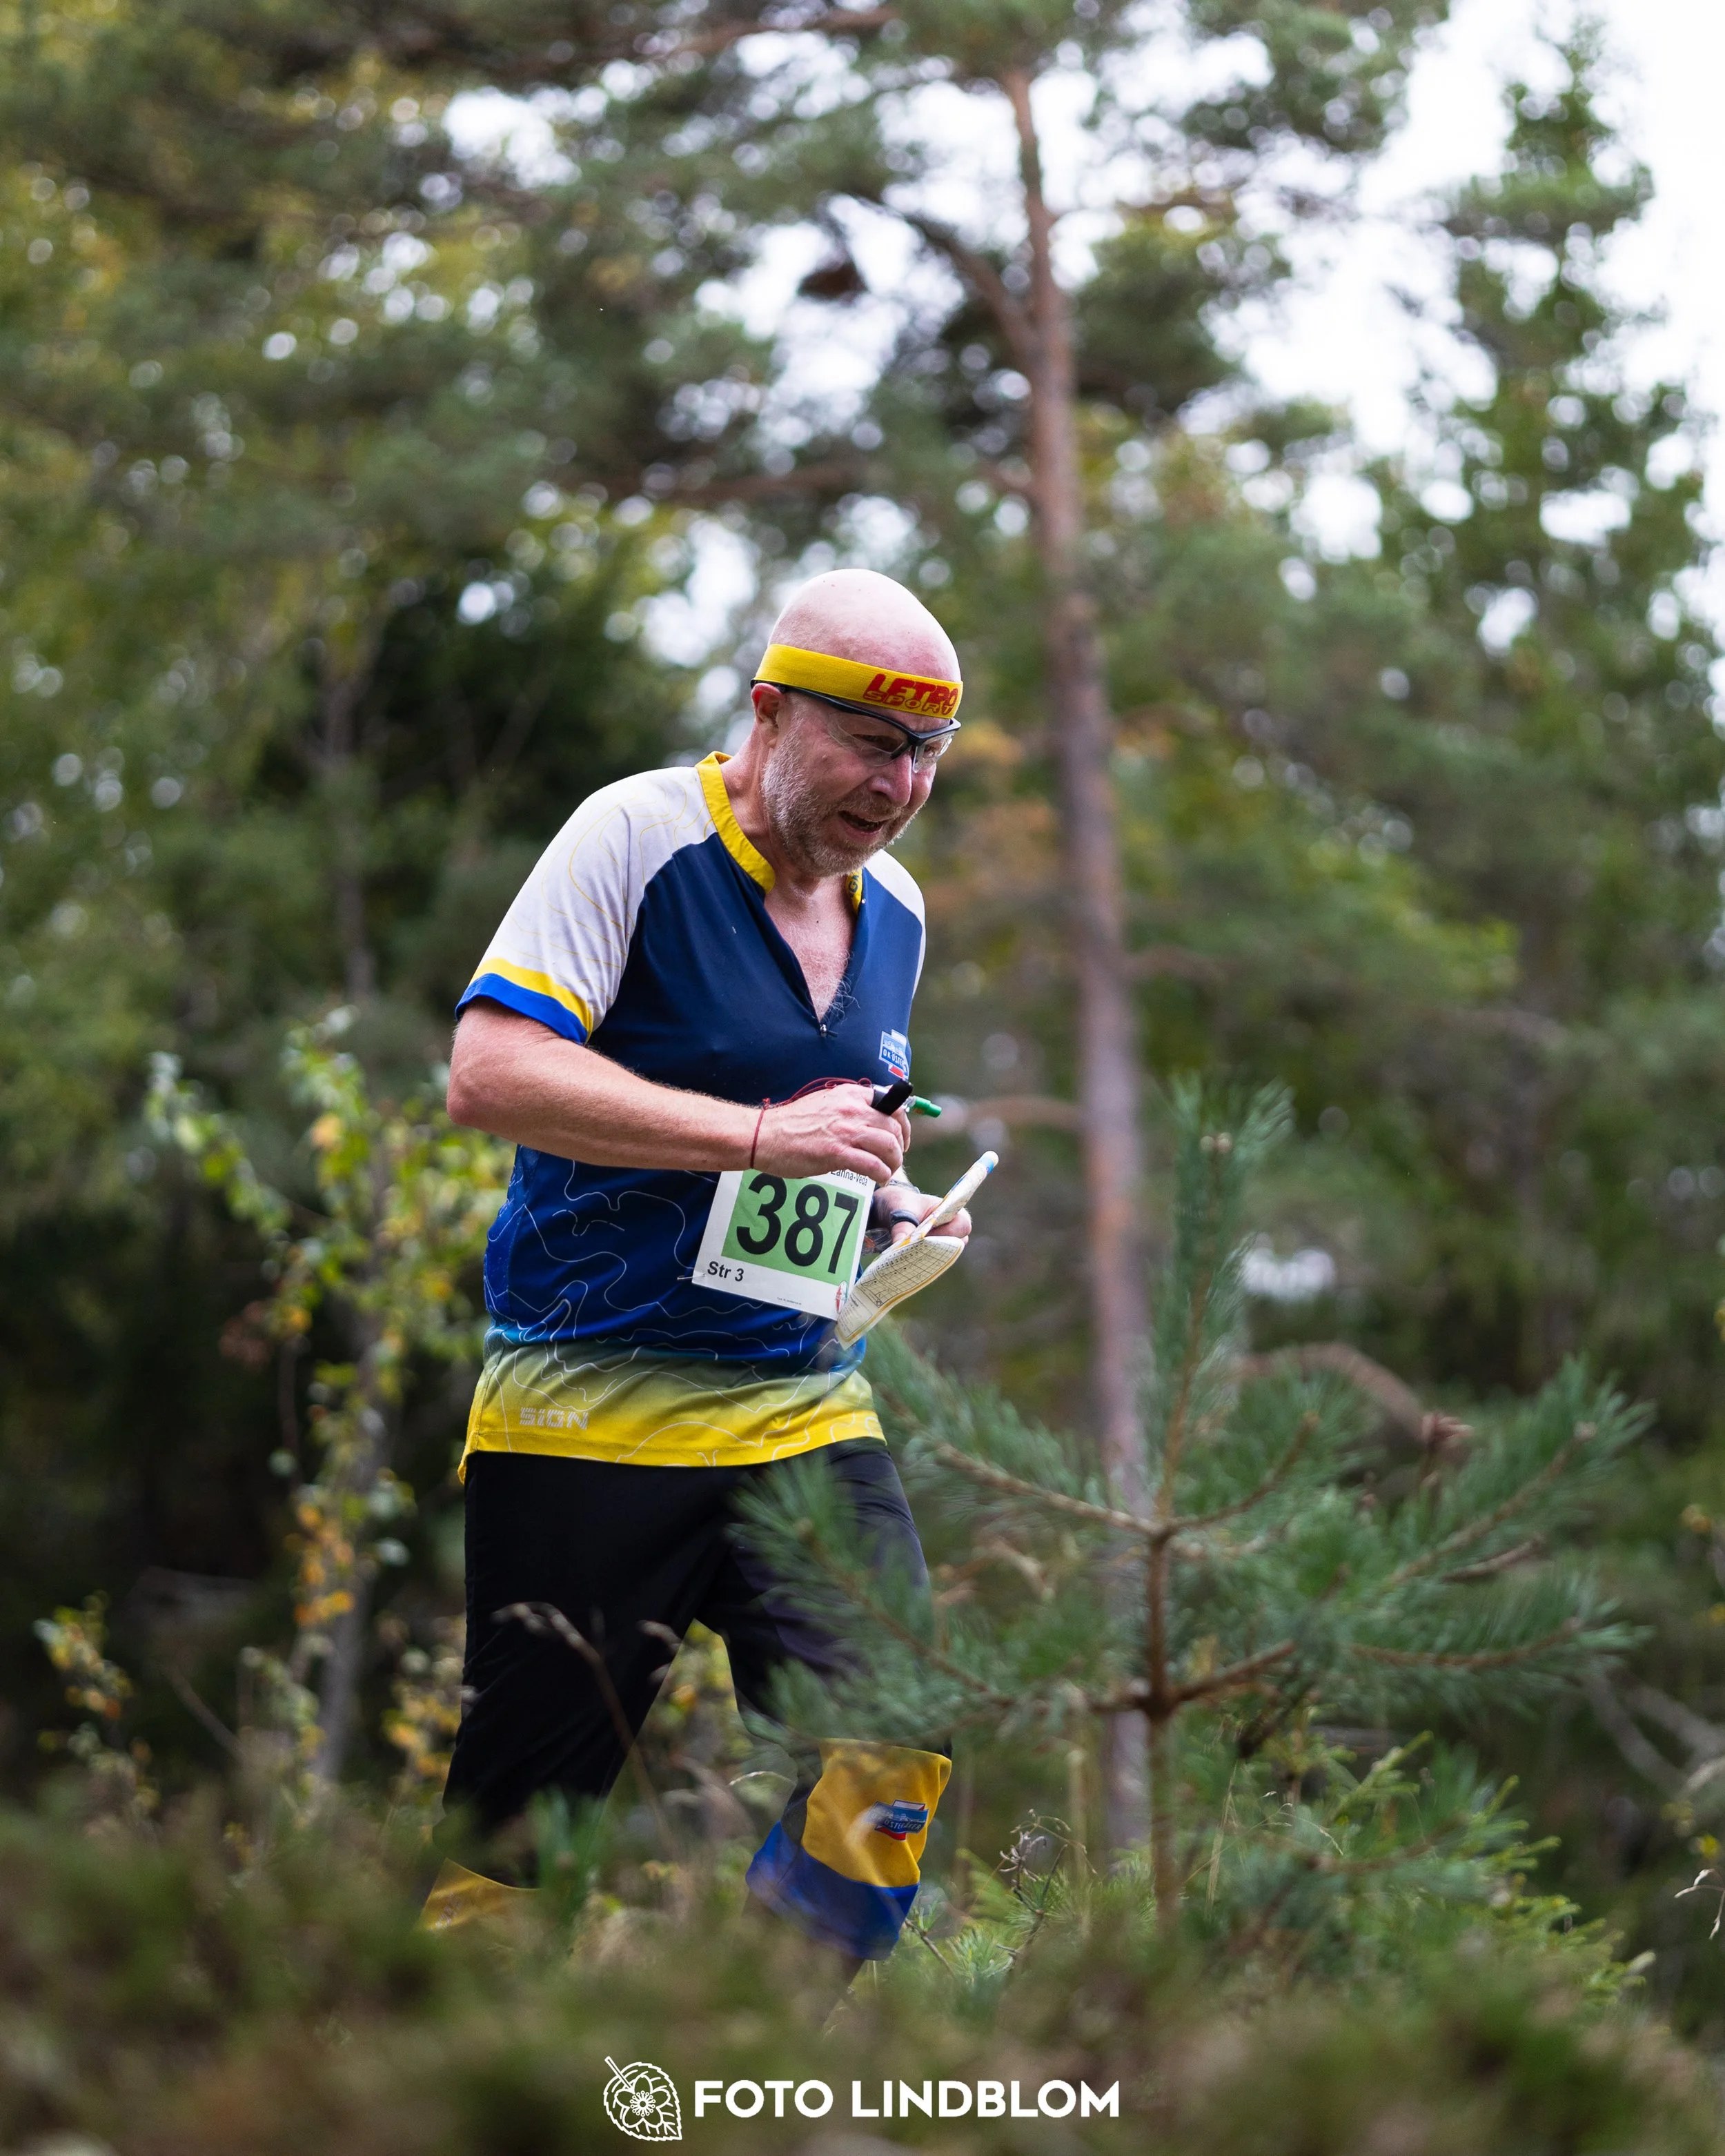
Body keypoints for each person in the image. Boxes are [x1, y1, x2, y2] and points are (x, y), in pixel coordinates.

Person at [424, 568, 972, 1972]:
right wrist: (761, 1134)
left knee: (896, 1743)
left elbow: (823, 1140)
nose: (899, 785)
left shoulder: (899, 909)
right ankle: (434, 2059)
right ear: (771, 711)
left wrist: (888, 1206)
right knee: (518, 1840)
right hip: (589, 1402)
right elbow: (489, 1073)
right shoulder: (635, 835)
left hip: (799, 1404)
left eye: (926, 751)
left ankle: (751, 2040)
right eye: (870, 742)